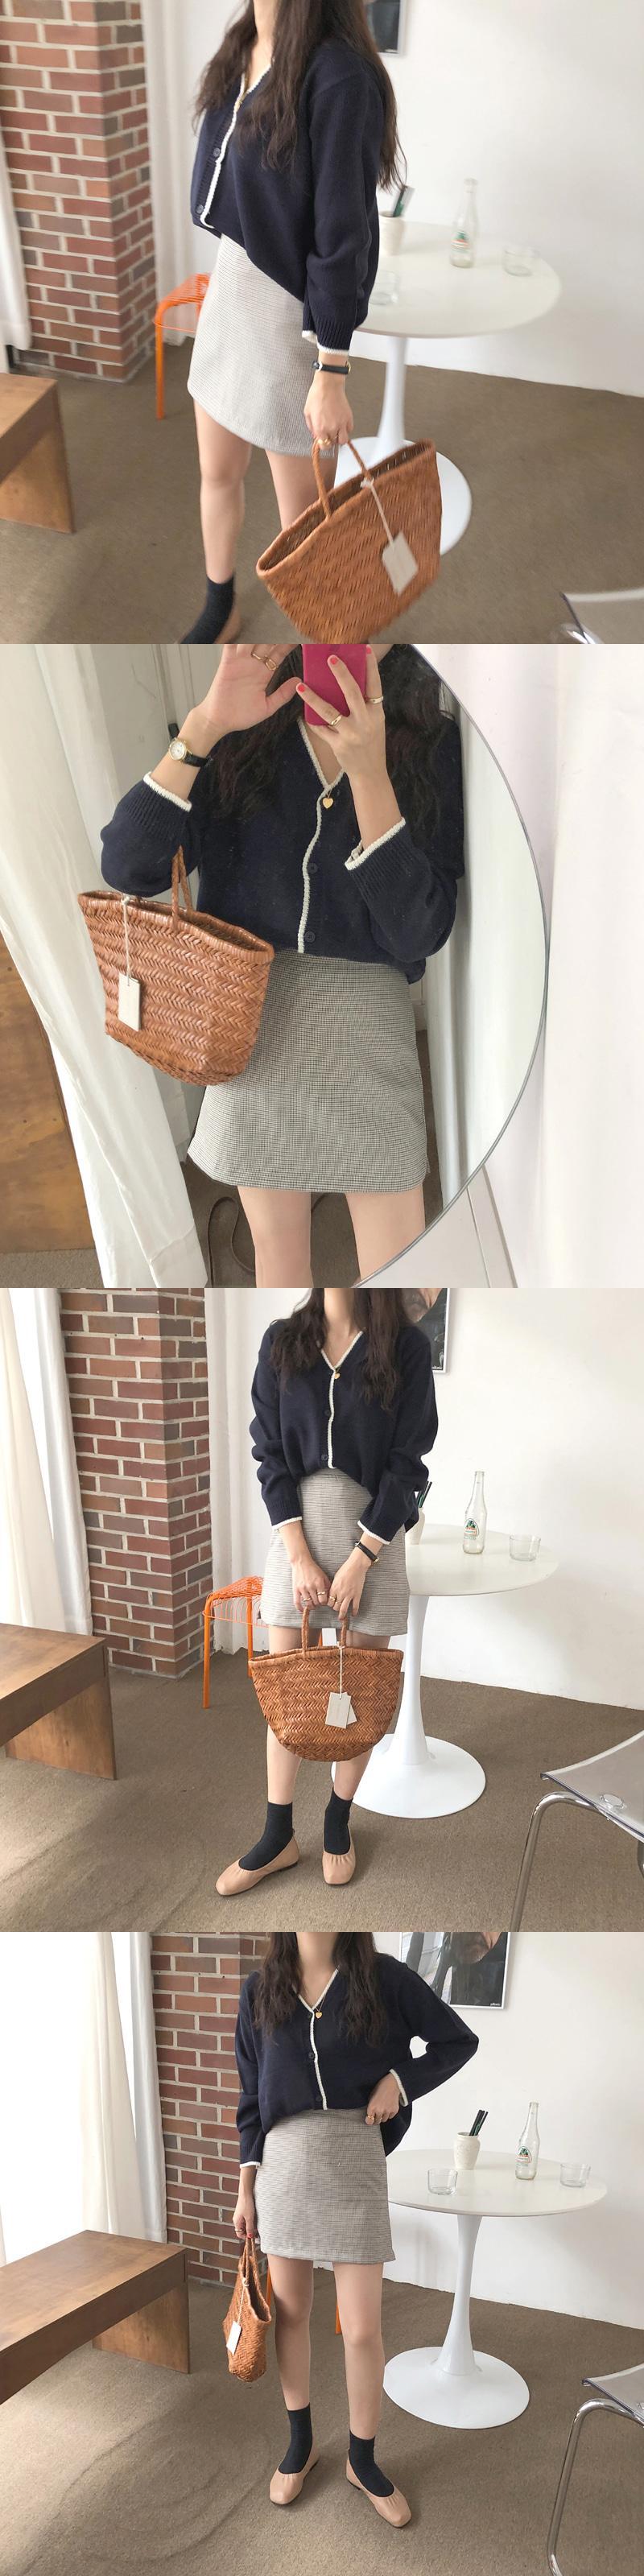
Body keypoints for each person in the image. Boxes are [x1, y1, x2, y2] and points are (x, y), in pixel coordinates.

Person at [100, 642, 464, 1288]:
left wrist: (370, 776)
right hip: (251, 1026)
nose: (349, 627)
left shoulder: (431, 744)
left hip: (369, 1035)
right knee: (281, 1268)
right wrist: (204, 725)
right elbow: (128, 866)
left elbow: (418, 932)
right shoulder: (243, 734)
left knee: (403, 1280)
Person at [233, 1930, 478, 2520]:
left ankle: (362, 2460)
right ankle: (301, 2446)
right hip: (283, 2168)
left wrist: (400, 2081)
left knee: (363, 2329)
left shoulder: (384, 1977)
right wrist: (245, 2190)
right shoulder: (259, 1990)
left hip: (355, 2157)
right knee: (292, 2313)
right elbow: (251, 2102)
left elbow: (457, 2040)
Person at [184, 0, 402, 640]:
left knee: (305, 530)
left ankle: (325, 641)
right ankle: (219, 607)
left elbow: (344, 234)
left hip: (288, 323)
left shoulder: (340, 76)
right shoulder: (241, 46)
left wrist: (331, 372)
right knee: (217, 473)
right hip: (229, 295)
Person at [217, 1286, 438, 1894]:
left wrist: (363, 1557)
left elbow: (409, 1462)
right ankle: (278, 1835)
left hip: (375, 1534)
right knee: (287, 1690)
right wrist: (298, 1556)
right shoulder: (282, 1342)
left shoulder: (407, 1348)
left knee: (358, 1693)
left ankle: (338, 1821)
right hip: (298, 1533)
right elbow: (269, 1455)